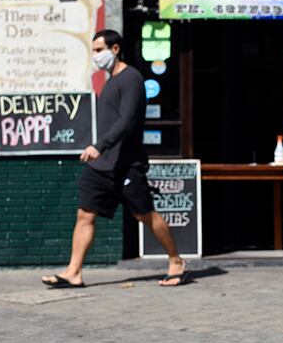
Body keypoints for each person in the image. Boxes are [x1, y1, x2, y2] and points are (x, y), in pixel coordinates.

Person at [42, 30, 188, 288]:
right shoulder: (110, 81)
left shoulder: (131, 78)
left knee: (145, 215)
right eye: (94, 51)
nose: (96, 56)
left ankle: (176, 261)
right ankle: (73, 272)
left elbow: (127, 120)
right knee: (85, 215)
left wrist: (100, 145)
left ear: (116, 49)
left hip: (126, 164)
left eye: (99, 50)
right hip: (100, 166)